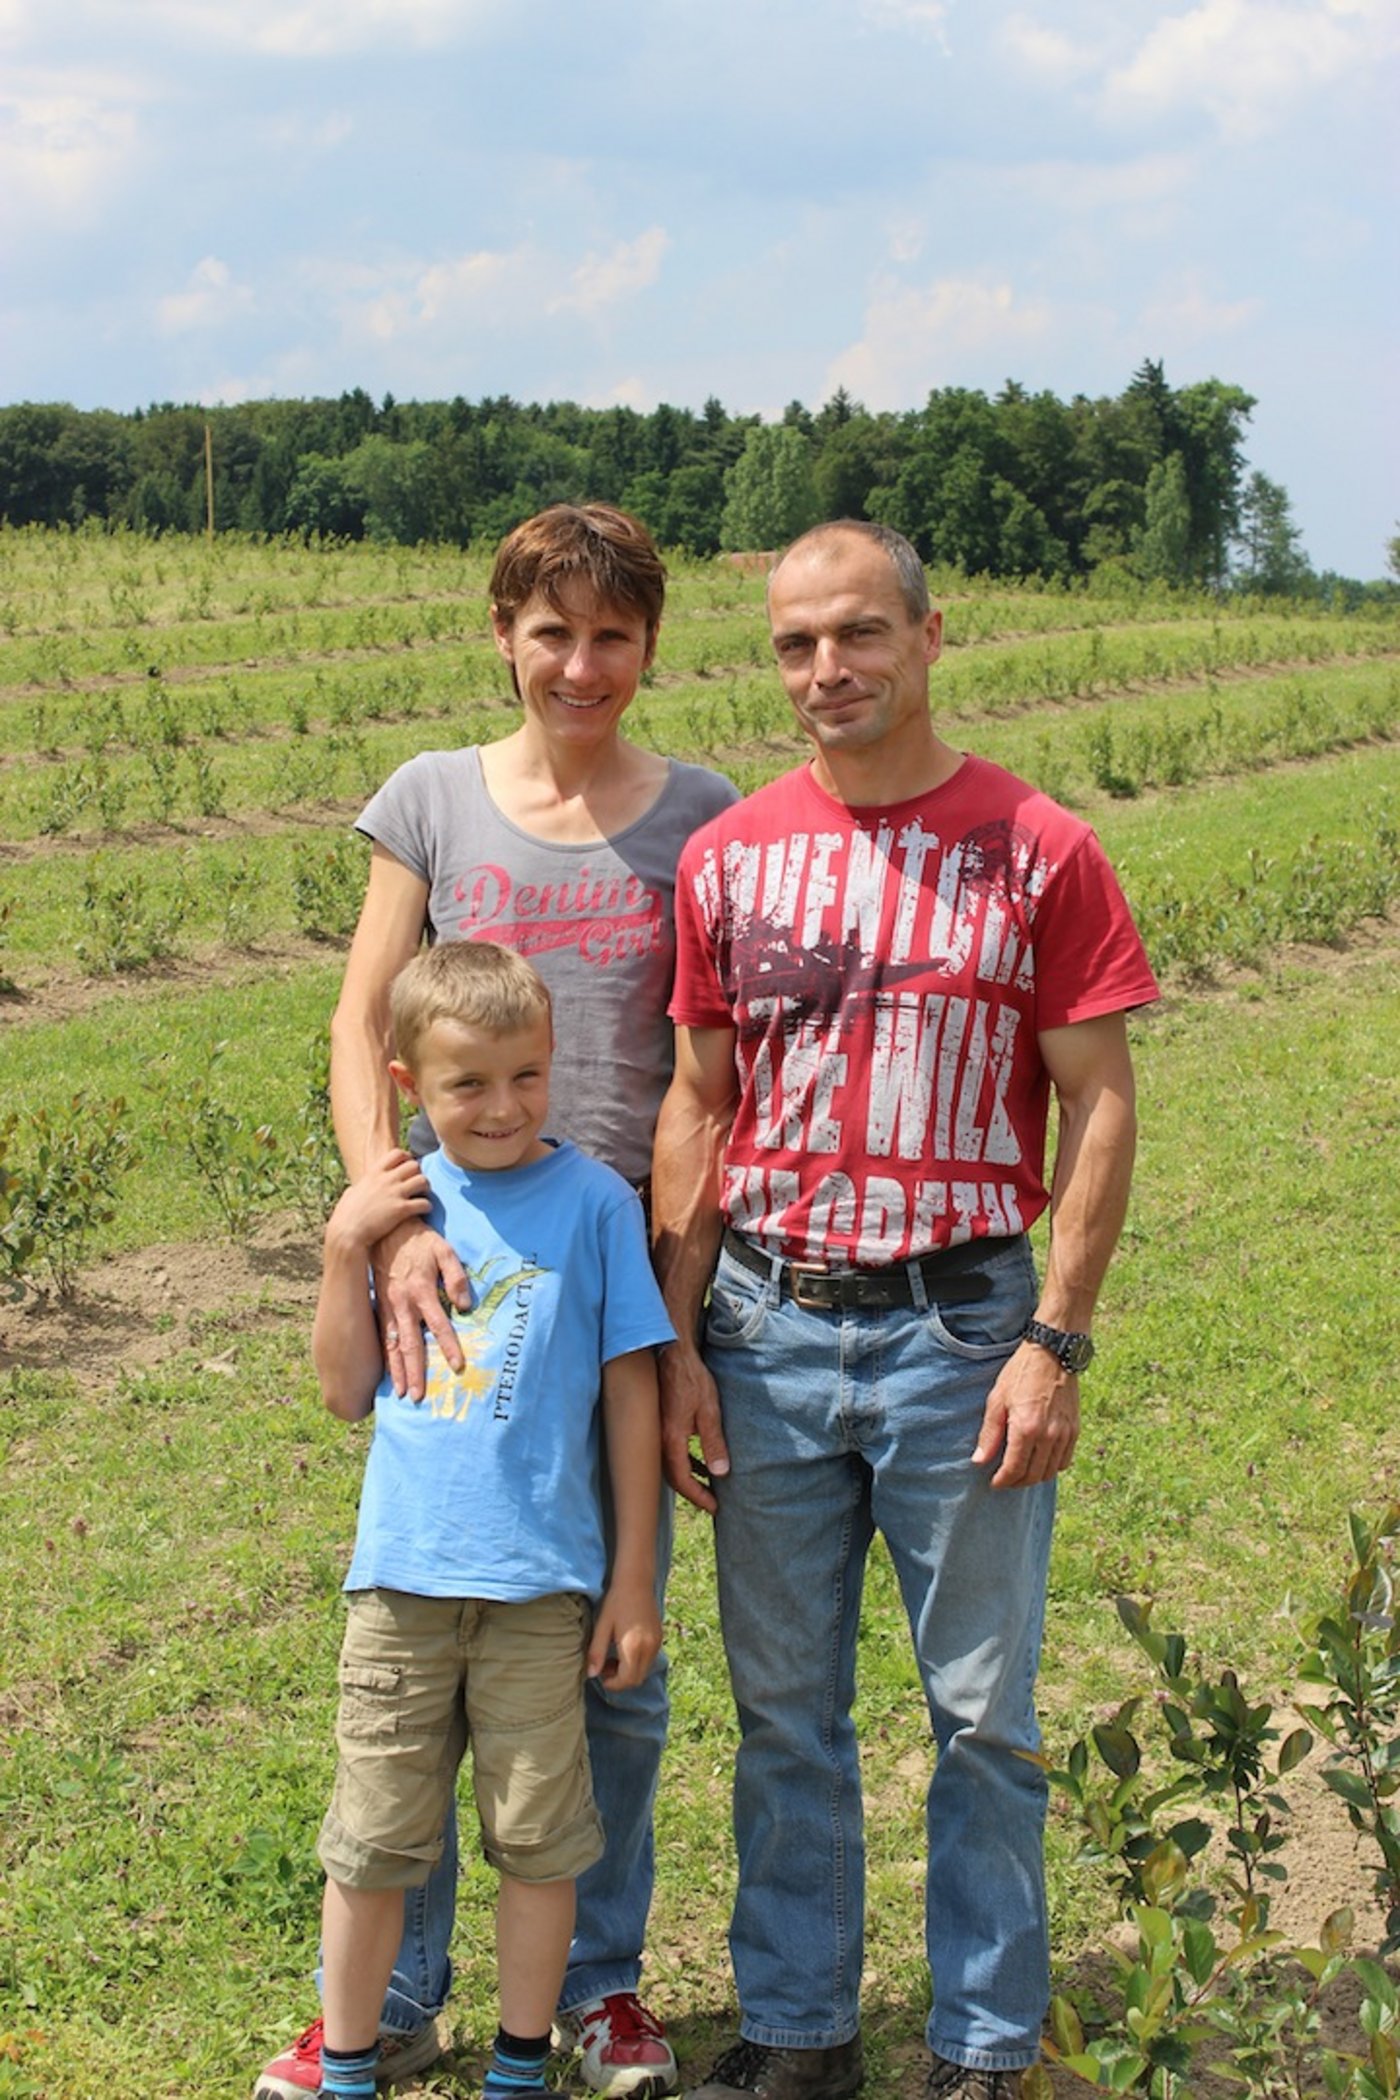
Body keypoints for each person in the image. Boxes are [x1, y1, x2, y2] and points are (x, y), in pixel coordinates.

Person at [651, 521, 1160, 2100]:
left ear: (931, 637)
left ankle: (984, 2044)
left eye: (860, 633)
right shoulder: (729, 858)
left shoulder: (1040, 848)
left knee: (983, 1714)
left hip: (965, 1333)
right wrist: (677, 1344)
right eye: (797, 644)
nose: (829, 669)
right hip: (765, 1331)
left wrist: (1054, 1340)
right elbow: (699, 1103)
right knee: (782, 1714)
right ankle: (798, 2035)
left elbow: (1101, 1105)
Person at [256, 504, 737, 2100]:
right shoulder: (432, 800)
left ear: (649, 645)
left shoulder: (703, 816)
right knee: (439, 1652)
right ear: (503, 634)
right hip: (464, 1284)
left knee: (605, 1663)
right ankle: (394, 2001)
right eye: (552, 634)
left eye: (612, 638)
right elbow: (359, 1025)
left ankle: (597, 1992)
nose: (580, 667)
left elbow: (708, 1073)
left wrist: (677, 1316)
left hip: (616, 1280)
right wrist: (390, 1224)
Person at [308, 939, 675, 2100]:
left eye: (527, 1076)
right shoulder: (395, 1209)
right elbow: (341, 1390)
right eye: (467, 1084)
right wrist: (345, 1242)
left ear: (554, 1059)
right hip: (401, 1587)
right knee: (372, 1841)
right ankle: (350, 2063)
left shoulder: (597, 1203)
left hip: (537, 1594)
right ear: (408, 1084)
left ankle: (519, 2067)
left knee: (538, 1838)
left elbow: (630, 1393)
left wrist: (632, 1578)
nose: (503, 1107)